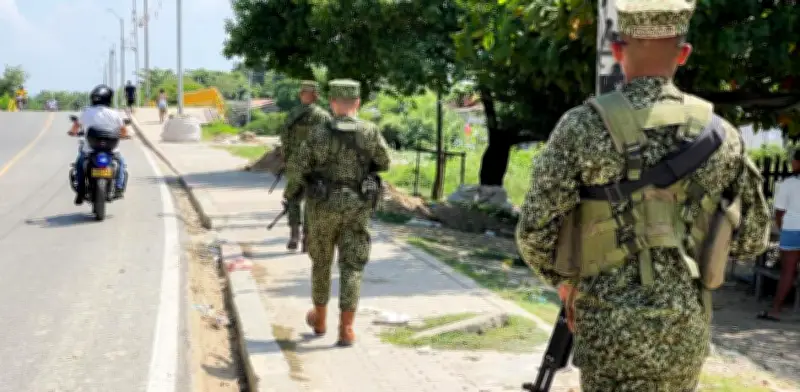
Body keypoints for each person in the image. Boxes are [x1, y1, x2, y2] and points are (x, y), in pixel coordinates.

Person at [515, 0, 771, 390]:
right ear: (683, 55)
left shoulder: (582, 126)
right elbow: (752, 238)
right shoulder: (724, 136)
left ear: (618, 51)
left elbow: (534, 231)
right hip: (683, 329)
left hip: (606, 325)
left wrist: (564, 283)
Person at [284, 79, 390, 346]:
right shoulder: (370, 131)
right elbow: (384, 162)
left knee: (321, 263)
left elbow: (298, 168)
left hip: (322, 207)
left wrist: (291, 194)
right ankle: (347, 328)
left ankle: (319, 319)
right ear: (357, 103)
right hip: (357, 206)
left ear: (331, 102)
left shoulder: (318, 133)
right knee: (352, 266)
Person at [279, 80, 332, 251]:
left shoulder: (292, 114)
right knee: (311, 202)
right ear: (316, 96)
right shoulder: (323, 116)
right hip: (314, 167)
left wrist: (287, 159)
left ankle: (294, 235)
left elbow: (285, 139)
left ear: (301, 94)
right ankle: (307, 240)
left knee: (293, 199)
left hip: (295, 164)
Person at [68, 84, 130, 205]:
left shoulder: (86, 112)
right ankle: (118, 186)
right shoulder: (114, 113)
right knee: (121, 162)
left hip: (89, 149)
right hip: (111, 150)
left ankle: (80, 191)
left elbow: (76, 127)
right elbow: (123, 130)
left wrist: (72, 132)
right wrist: (124, 136)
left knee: (80, 163)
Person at [758, 149, 800, 321]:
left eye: (793, 160)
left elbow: (779, 213)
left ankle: (776, 309)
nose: (791, 163)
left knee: (787, 271)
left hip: (791, 229)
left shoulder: (787, 184)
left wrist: (782, 229)